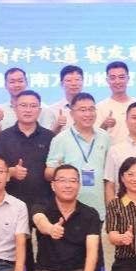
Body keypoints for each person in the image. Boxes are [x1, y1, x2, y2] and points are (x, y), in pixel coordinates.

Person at [0, 89, 55, 271]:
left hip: (44, 203)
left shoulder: (50, 137)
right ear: (15, 108)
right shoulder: (4, 137)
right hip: (13, 204)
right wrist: (11, 172)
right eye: (23, 105)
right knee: (19, 253)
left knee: (45, 252)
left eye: (33, 106)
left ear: (39, 110)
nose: (28, 110)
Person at [45, 92, 111, 220]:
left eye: (91, 109)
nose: (88, 114)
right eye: (82, 110)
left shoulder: (105, 137)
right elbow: (48, 174)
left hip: (99, 208)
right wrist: (62, 171)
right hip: (68, 210)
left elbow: (109, 176)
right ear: (72, 113)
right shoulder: (60, 139)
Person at [0, 68, 52, 134]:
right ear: (5, 85)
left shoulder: (42, 109)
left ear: (26, 83)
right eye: (12, 82)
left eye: (20, 81)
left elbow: (47, 135)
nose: (17, 85)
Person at [96, 61, 136, 146]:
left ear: (128, 79)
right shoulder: (99, 107)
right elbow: (94, 137)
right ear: (107, 80)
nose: (117, 81)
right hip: (110, 153)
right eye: (113, 78)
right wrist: (104, 125)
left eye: (121, 77)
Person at [44, 65, 85, 134]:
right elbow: (45, 137)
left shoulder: (92, 108)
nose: (74, 84)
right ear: (61, 84)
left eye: (77, 80)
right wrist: (57, 126)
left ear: (83, 81)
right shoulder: (52, 110)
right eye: (69, 80)